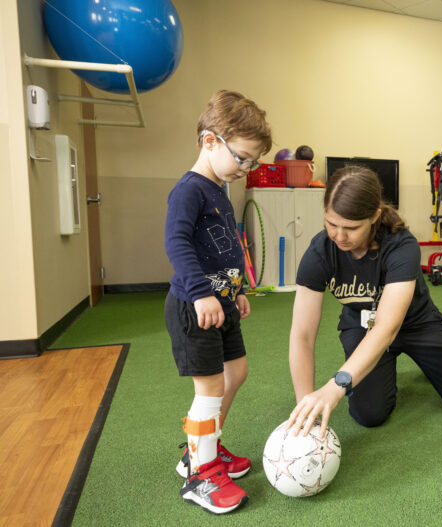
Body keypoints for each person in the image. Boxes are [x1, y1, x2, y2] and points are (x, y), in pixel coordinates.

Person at [286, 166, 442, 438]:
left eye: (351, 228)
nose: (339, 236)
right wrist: (305, 405)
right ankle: (383, 367)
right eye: (331, 224)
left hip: (417, 325)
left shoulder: (401, 246)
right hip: (362, 326)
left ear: (374, 216)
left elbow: (387, 328)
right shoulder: (320, 253)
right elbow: (302, 334)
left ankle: (439, 362)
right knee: (369, 415)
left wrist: (337, 384)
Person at [164, 89, 272, 514]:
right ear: (210, 141)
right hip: (195, 309)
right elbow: (176, 244)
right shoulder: (188, 191)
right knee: (209, 387)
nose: (246, 169)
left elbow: (227, 246)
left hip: (222, 305)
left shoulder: (220, 189)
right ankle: (199, 475)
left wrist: (238, 289)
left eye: (253, 162)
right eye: (242, 158)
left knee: (237, 372)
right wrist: (202, 293)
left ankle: (202, 447)